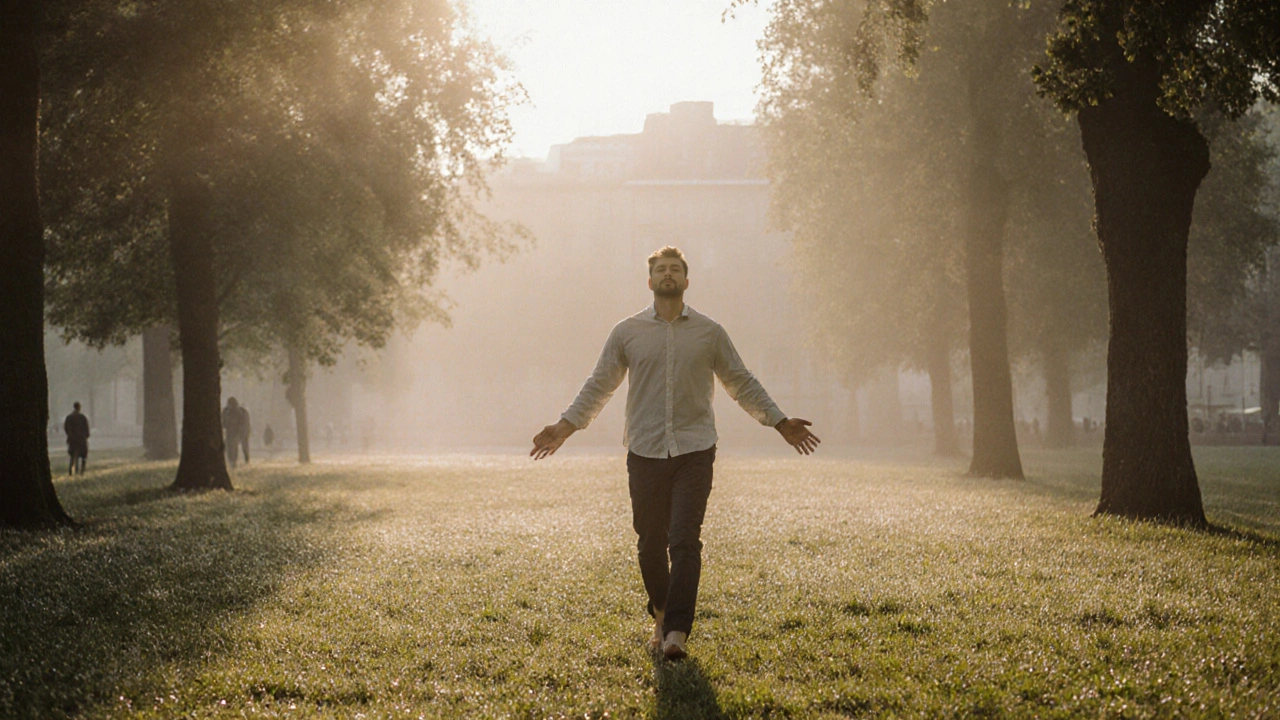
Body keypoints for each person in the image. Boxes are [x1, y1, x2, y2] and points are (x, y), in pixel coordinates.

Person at [531, 246, 820, 662]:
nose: (668, 275)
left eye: (675, 270)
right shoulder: (626, 332)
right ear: (650, 282)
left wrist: (779, 421)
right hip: (645, 450)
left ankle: (676, 633)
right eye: (661, 270)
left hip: (694, 450)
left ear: (687, 281)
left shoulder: (710, 332)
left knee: (684, 541)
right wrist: (564, 427)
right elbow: (599, 386)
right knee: (650, 544)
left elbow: (741, 382)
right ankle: (662, 613)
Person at [221, 397, 251, 467]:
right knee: (230, 447)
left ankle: (244, 459)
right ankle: (232, 461)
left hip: (239, 431)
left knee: (240, 446)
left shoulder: (240, 412)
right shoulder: (226, 411)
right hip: (230, 432)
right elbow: (223, 422)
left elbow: (243, 423)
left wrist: (241, 432)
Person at [63, 402, 90, 475]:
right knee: (83, 456)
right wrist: (86, 436)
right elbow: (86, 429)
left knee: (73, 457)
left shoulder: (69, 417)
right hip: (81, 439)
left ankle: (72, 472)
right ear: (79, 408)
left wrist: (69, 435)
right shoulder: (83, 417)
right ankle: (82, 472)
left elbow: (66, 428)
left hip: (72, 440)